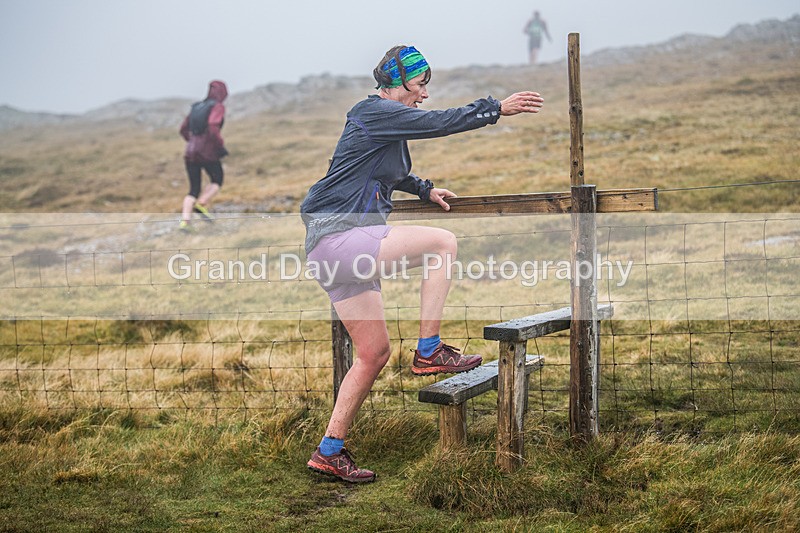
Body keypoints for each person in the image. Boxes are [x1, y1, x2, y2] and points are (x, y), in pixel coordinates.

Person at [301, 45, 544, 482]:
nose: (424, 95)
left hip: (331, 251)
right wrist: (496, 109)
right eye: (420, 85)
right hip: (340, 238)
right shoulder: (372, 111)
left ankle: (329, 450)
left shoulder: (382, 124)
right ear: (396, 82)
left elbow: (387, 172)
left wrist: (424, 189)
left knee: (373, 354)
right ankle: (430, 351)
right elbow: (437, 123)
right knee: (442, 244)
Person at [178, 80, 229, 231]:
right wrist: (219, 145)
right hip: (207, 151)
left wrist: (192, 141)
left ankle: (185, 222)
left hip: (190, 151)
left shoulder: (196, 107)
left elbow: (183, 129)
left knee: (193, 188)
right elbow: (213, 126)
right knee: (217, 179)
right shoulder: (217, 107)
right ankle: (202, 203)